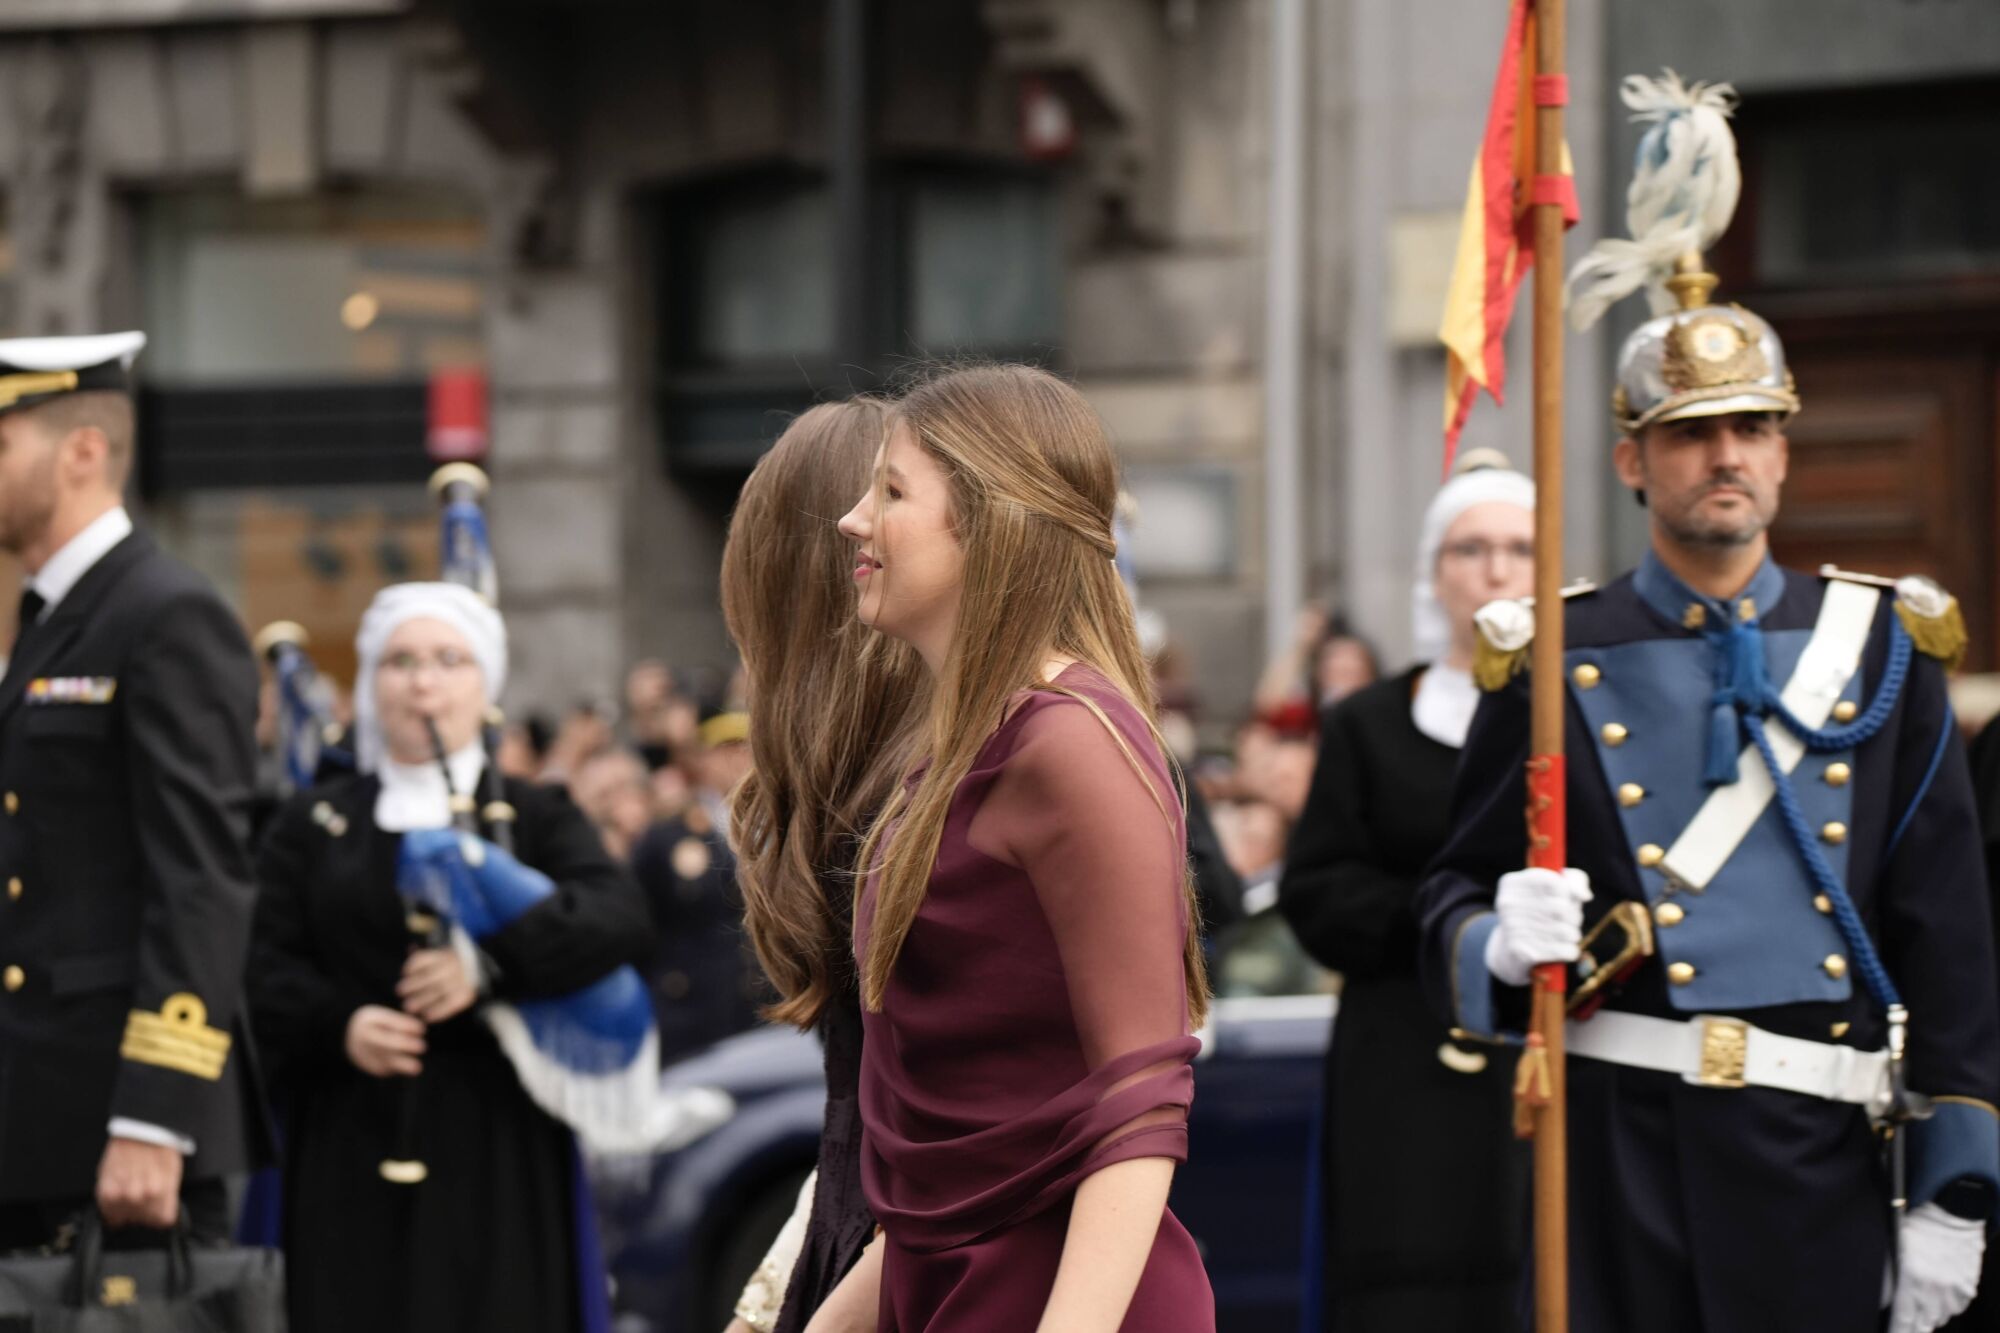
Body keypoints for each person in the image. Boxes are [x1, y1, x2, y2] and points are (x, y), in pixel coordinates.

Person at [1416, 98, 2000, 1332]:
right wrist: (1497, 945)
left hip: (1822, 1166)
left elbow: (1948, 934)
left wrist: (1952, 1189)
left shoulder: (1885, 645)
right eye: (1687, 435)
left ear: (1784, 451)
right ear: (1630, 460)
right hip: (1612, 1166)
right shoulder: (1545, 657)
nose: (1721, 456)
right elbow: (1448, 900)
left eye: (1748, 428)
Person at [830, 363, 1214, 1330]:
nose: (851, 519)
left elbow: (1141, 1104)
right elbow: (964, 1156)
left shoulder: (1071, 741)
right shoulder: (959, 745)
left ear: (991, 521)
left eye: (891, 490)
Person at [248, 582, 656, 1333]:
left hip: (500, 1143)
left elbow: (618, 920)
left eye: (448, 659)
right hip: (348, 1136)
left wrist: (487, 969)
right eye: (400, 661)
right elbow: (258, 964)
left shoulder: (536, 814)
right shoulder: (314, 821)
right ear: (373, 680)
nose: (423, 680)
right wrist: (340, 1024)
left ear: (485, 681)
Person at [0, 332, 262, 1248]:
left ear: (82, 451)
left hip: (121, 1138)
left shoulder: (162, 613)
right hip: (37, 1122)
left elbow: (202, 881)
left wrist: (155, 1117)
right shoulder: (50, 620)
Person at [1279, 453, 1535, 1331]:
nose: (1496, 570)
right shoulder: (1367, 723)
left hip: (1540, 1051)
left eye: (1519, 548)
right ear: (1436, 571)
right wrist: (1450, 923)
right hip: (1401, 1055)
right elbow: (1316, 888)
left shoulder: (1576, 715)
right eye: (1471, 549)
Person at [713, 400, 928, 1333]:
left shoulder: (928, 796)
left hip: (926, 1254)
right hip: (881, 1229)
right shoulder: (868, 783)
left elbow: (968, 1147)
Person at [631, 710, 766, 1066]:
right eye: (725, 749)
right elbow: (638, 922)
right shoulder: (669, 836)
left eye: (746, 748)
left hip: (758, 1003)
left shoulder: (778, 830)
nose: (738, 760)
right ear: (702, 760)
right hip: (690, 1008)